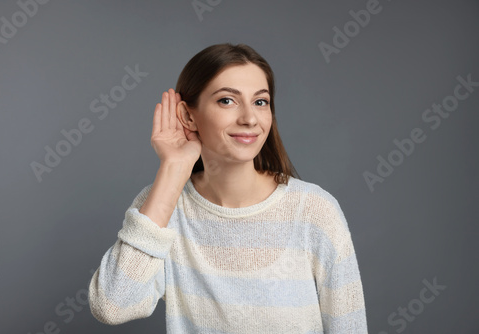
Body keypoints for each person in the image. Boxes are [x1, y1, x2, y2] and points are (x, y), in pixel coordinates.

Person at [88, 43, 368, 333]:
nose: (249, 118)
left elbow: (350, 327)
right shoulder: (163, 205)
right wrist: (172, 170)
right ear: (187, 116)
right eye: (227, 101)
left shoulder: (314, 210)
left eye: (260, 102)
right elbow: (113, 305)